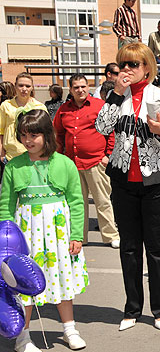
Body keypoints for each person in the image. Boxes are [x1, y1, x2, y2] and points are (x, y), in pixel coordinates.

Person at [95, 42, 160, 332]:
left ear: (146, 67)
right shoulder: (114, 97)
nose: (126, 70)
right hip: (123, 181)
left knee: (157, 248)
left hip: (156, 181)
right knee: (129, 248)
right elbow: (101, 127)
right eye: (122, 65)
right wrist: (117, 94)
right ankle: (132, 308)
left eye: (133, 65)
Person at [0, 109, 88, 352]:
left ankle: (69, 329)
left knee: (61, 280)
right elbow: (6, 206)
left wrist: (76, 235)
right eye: (24, 135)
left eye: (34, 135)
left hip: (59, 234)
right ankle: (23, 336)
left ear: (47, 135)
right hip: (26, 235)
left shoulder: (65, 163)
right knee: (23, 283)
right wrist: (6, 243)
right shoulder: (13, 167)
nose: (28, 140)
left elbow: (77, 202)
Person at [53, 73, 119, 248]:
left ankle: (111, 235)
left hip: (96, 161)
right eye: (76, 87)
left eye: (83, 86)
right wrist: (58, 158)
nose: (80, 90)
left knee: (102, 201)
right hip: (72, 164)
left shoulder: (100, 106)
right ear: (71, 89)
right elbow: (58, 134)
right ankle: (79, 237)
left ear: (88, 87)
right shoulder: (64, 109)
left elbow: (111, 132)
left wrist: (108, 155)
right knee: (77, 203)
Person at [0, 73, 46, 162]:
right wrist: (2, 154)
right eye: (21, 85)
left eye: (27, 86)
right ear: (15, 86)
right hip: (10, 157)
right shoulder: (5, 105)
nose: (24, 89)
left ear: (32, 88)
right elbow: (1, 131)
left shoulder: (39, 107)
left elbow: (46, 133)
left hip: (34, 157)